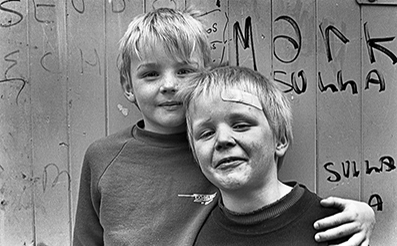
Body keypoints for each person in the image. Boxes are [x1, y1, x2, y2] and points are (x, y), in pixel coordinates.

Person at [73, 7, 375, 246]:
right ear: (128, 86)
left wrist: (363, 214)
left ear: (205, 76)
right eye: (151, 74)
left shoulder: (220, 152)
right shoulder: (103, 157)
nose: (169, 85)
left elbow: (273, 197)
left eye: (184, 71)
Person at [178, 65, 372, 245]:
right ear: (194, 152)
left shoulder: (335, 226)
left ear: (279, 141)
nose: (222, 140)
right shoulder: (193, 231)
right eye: (206, 133)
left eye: (240, 125)